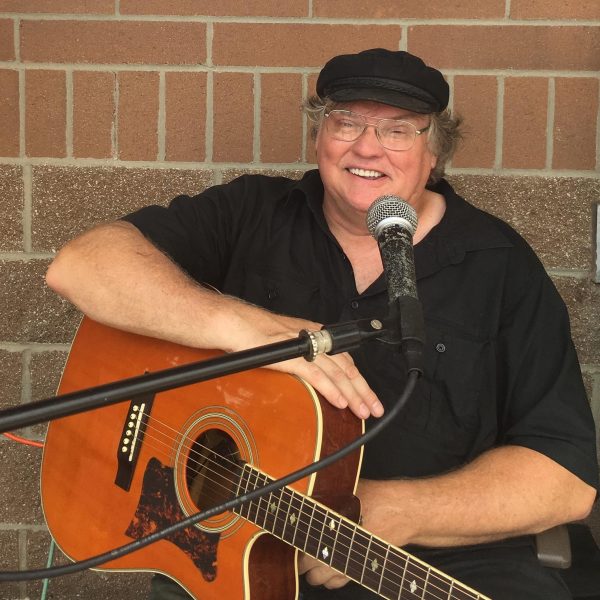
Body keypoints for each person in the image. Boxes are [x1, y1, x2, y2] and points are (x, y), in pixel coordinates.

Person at [46, 48, 598, 599]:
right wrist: (254, 332)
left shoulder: (499, 266)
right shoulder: (253, 213)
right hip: (236, 555)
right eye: (346, 121)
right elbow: (81, 266)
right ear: (318, 137)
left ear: (435, 152)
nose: (366, 146)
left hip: (441, 562)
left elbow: (565, 479)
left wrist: (403, 512)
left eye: (397, 130)